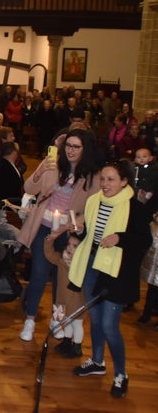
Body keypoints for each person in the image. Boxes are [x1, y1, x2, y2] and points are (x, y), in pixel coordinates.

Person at [69, 160, 151, 398]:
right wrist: (79, 231)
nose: (105, 184)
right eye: (103, 179)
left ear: (124, 181)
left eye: (111, 179)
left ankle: (121, 374)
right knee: (95, 320)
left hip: (117, 272)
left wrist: (119, 238)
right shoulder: (94, 201)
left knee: (108, 326)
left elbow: (143, 241)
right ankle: (97, 361)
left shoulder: (134, 208)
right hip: (92, 266)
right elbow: (91, 234)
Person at [17, 128, 100, 341]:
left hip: (67, 233)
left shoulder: (91, 176)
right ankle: (30, 319)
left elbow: (92, 209)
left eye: (76, 147)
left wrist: (74, 225)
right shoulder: (52, 165)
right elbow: (29, 188)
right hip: (44, 227)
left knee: (62, 279)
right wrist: (39, 170)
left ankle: (57, 318)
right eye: (68, 146)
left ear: (84, 149)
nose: (71, 151)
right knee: (38, 274)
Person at [44, 232, 85, 358]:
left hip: (76, 300)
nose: (70, 248)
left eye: (75, 246)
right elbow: (49, 254)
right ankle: (67, 341)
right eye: (69, 244)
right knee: (65, 321)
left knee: (76, 323)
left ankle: (77, 346)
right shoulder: (62, 259)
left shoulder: (82, 264)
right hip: (61, 298)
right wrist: (49, 240)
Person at [0, 141, 24, 208]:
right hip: (6, 206)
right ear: (13, 153)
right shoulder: (3, 168)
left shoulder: (9, 165)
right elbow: (6, 190)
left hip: (11, 203)